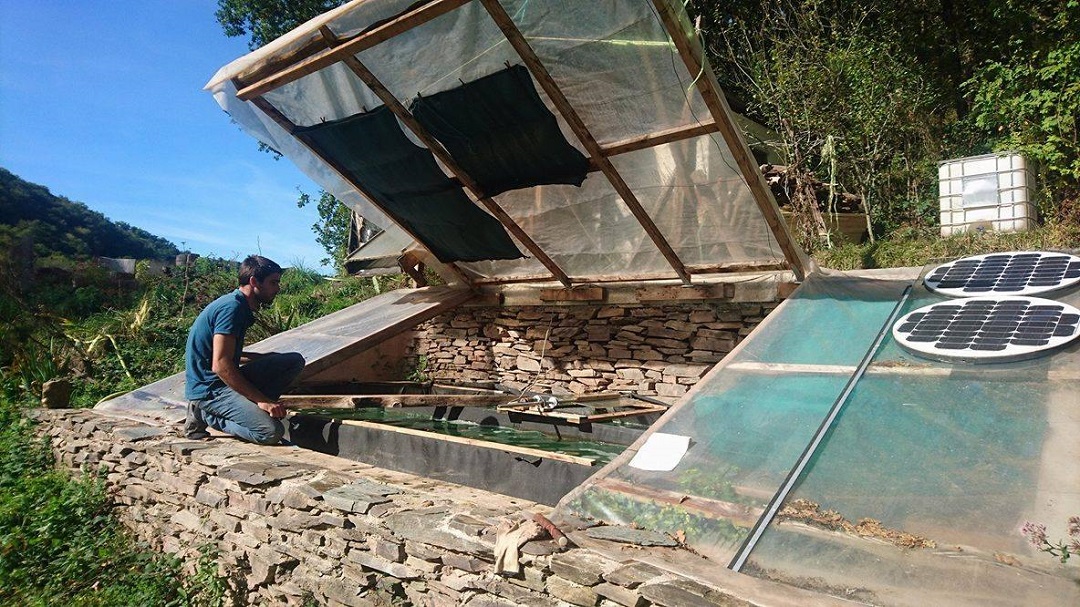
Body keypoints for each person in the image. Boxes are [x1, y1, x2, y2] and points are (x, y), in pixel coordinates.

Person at [183, 255, 305, 444]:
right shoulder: (232, 309)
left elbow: (222, 353)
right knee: (270, 432)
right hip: (210, 388)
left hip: (214, 380)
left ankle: (252, 409)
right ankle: (212, 417)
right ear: (254, 281)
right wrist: (262, 401)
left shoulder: (236, 303)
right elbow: (221, 365)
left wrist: (263, 358)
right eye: (273, 283)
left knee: (292, 361)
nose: (277, 289)